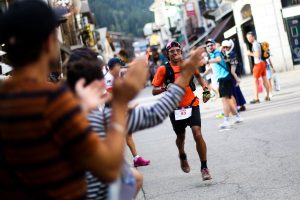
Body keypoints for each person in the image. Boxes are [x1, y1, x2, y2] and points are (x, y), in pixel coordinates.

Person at [0, 1, 148, 199]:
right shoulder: (52, 101)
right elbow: (109, 169)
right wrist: (120, 104)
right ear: (48, 43)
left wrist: (81, 109)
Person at [66, 47, 207, 199]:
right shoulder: (105, 116)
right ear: (99, 82)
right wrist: (186, 74)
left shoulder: (53, 111)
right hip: (99, 192)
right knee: (132, 177)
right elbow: (156, 113)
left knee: (135, 177)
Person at [152, 41, 212, 181]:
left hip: (192, 104)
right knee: (181, 137)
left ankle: (204, 167)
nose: (175, 53)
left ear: (181, 51)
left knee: (197, 134)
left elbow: (199, 77)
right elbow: (154, 90)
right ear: (167, 54)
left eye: (177, 50)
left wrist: (205, 90)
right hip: (175, 108)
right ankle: (182, 154)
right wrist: (165, 88)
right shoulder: (163, 70)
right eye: (172, 51)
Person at [104, 57, 151, 167]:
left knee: (127, 133)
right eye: (119, 66)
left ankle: (136, 158)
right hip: (112, 110)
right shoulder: (109, 79)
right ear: (114, 66)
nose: (120, 68)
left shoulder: (113, 76)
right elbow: (111, 96)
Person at [205, 39, 243, 129]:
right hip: (224, 79)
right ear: (206, 48)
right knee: (229, 99)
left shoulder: (217, 53)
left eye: (211, 45)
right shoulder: (211, 55)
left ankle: (226, 121)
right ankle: (238, 117)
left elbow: (218, 59)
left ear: (215, 45)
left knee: (225, 100)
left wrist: (207, 61)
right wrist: (202, 75)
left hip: (224, 79)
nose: (210, 46)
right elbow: (213, 68)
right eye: (208, 45)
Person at [221, 40, 246, 112]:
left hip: (232, 76)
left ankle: (237, 106)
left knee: (234, 92)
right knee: (237, 91)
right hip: (231, 75)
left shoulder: (231, 54)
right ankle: (241, 105)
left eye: (227, 47)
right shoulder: (228, 54)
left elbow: (233, 69)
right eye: (224, 47)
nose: (225, 48)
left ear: (230, 47)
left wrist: (237, 78)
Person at [246, 32, 271, 103]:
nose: (248, 39)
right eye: (247, 38)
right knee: (265, 80)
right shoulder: (257, 43)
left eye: (249, 37)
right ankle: (267, 96)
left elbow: (257, 55)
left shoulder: (255, 44)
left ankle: (256, 98)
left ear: (253, 37)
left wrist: (249, 53)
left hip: (258, 64)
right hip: (262, 63)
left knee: (255, 81)